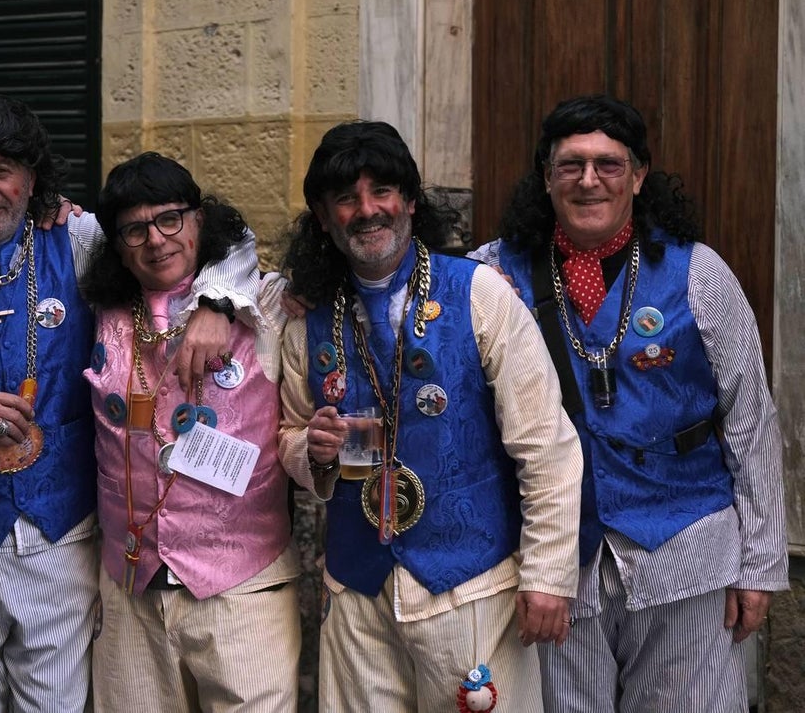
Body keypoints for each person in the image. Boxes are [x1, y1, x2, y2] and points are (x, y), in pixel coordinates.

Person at [0, 93, 258, 712]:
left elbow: (225, 237)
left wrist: (214, 303)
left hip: (61, 535)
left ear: (31, 179)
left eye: (2, 171)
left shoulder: (79, 237)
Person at [469, 93, 789, 712]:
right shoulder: (489, 275)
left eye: (609, 165)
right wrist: (279, 296)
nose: (590, 181)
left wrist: (759, 566)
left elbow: (750, 421)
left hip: (686, 546)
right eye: (571, 165)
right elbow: (403, 294)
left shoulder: (702, 274)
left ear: (639, 177)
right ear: (546, 177)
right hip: (558, 560)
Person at [279, 120, 584, 713]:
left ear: (411, 202)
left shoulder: (479, 294)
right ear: (322, 216)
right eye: (345, 198)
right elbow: (290, 432)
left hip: (471, 590)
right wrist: (310, 451)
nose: (367, 211)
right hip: (356, 593)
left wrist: (548, 574)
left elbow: (546, 445)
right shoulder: (306, 319)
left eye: (382, 192)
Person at [80, 152, 308, 711]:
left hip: (243, 588)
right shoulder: (101, 308)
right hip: (131, 583)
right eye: (135, 229)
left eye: (169, 219)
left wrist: (218, 300)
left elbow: (246, 239)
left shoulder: (267, 304)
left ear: (198, 220)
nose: (156, 240)